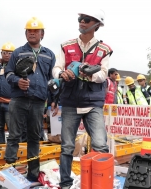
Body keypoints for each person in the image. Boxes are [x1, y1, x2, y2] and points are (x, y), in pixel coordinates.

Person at [52, 10, 112, 188]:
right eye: (80, 19)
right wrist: (62, 74)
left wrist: (87, 74)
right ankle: (65, 184)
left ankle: (101, 183)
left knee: (101, 145)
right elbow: (56, 68)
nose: (82, 22)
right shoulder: (66, 45)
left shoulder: (104, 49)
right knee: (67, 147)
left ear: (96, 25)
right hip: (70, 102)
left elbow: (103, 74)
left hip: (93, 103)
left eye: (86, 20)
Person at [4, 17, 55, 182]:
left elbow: (52, 79)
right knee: (14, 135)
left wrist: (53, 99)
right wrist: (17, 81)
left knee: (34, 137)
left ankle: (33, 174)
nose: (32, 34)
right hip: (19, 99)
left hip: (39, 102)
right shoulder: (18, 52)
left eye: (35, 31)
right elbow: (8, 73)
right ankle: (8, 172)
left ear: (42, 34)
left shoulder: (49, 55)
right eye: (29, 31)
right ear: (25, 33)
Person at [0, 42, 15, 144]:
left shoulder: (16, 68)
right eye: (5, 52)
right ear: (1, 54)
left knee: (12, 127)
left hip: (10, 103)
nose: (7, 55)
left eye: (9, 53)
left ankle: (12, 150)